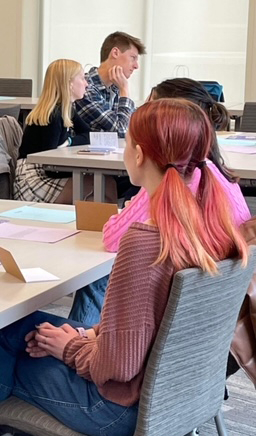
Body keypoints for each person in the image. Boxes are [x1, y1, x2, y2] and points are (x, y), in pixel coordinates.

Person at [0, 98, 249, 436]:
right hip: (180, 397)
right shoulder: (220, 228)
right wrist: (86, 334)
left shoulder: (147, 242)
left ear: (139, 153)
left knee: (0, 340)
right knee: (22, 330)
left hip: (116, 411)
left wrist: (72, 346)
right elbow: (151, 333)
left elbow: (117, 366)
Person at [68, 78, 251, 326]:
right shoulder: (209, 170)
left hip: (182, 313)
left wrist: (135, 205)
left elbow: (113, 239)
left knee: (98, 277)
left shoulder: (169, 177)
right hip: (219, 313)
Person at [13, 59, 116, 204]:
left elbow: (87, 135)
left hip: (47, 172)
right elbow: (49, 164)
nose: (86, 84)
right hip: (33, 177)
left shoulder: (67, 109)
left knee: (107, 184)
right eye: (82, 78)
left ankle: (103, 224)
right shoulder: (52, 116)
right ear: (69, 83)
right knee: (100, 187)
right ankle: (97, 224)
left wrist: (69, 142)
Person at [75, 31, 146, 137]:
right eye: (133, 58)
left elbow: (137, 127)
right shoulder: (85, 89)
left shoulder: (115, 87)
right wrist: (124, 90)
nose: (136, 66)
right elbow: (122, 131)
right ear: (115, 53)